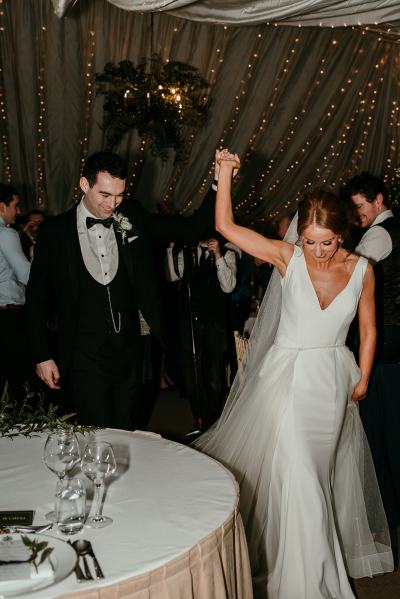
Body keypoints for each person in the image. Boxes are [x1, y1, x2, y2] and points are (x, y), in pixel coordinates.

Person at [194, 152, 393, 598]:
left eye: (327, 242)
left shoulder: (362, 270)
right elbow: (226, 227)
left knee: (315, 481)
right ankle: (304, 585)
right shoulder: (288, 258)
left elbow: (368, 327)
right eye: (310, 241)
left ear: (343, 234)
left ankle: (307, 573)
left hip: (330, 384)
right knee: (299, 478)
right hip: (286, 382)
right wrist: (225, 174)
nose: (318, 252)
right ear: (299, 235)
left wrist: (361, 377)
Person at [26, 151, 215, 429]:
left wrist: (218, 183)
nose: (112, 204)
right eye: (104, 195)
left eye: (119, 195)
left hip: (131, 354)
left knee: (128, 434)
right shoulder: (55, 232)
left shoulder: (131, 216)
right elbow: (37, 298)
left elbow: (189, 229)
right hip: (83, 357)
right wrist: (42, 355)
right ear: (84, 184)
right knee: (97, 434)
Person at [345, 172, 400, 536]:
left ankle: (389, 511)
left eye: (360, 206)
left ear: (378, 199)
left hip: (384, 349)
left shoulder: (378, 234)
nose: (357, 214)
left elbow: (350, 276)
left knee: (381, 432)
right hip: (396, 347)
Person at [165, 234, 237, 431]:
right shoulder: (188, 253)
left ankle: (211, 420)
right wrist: (172, 249)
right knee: (191, 374)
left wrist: (219, 255)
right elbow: (173, 275)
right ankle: (198, 417)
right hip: (189, 323)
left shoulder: (228, 254)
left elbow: (228, 286)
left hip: (215, 325)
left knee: (213, 374)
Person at [0, 184, 32, 400]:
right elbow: (27, 276)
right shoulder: (6, 234)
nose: (18, 211)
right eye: (15, 205)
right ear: (2, 206)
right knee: (20, 380)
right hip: (8, 317)